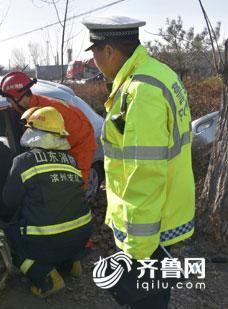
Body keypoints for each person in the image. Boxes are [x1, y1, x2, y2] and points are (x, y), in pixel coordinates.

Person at [82, 16, 195, 308]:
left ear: (109, 51)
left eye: (94, 52)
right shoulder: (157, 74)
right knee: (154, 296)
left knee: (146, 299)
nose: (94, 61)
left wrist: (139, 247)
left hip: (149, 225)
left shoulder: (141, 92)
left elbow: (145, 172)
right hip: (162, 211)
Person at [2, 106, 92, 298]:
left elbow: (9, 202)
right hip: (82, 237)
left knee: (8, 237)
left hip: (47, 240)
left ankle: (46, 278)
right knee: (63, 225)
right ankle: (72, 262)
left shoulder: (23, 161)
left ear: (33, 132)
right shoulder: (71, 160)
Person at [0, 71, 97, 187]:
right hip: (68, 148)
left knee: (72, 191)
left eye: (9, 101)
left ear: (19, 98)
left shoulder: (45, 113)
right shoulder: (33, 109)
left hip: (79, 149)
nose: (10, 105)